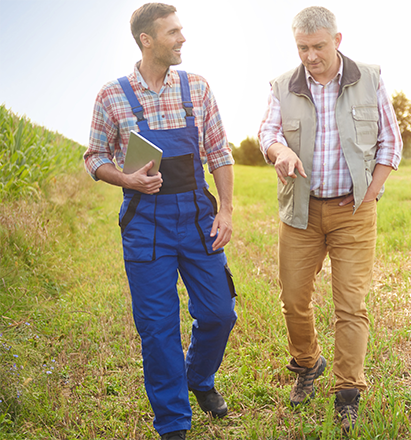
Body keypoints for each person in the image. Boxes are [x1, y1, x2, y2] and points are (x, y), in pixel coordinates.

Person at [83, 3, 237, 439]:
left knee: (219, 313)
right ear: (146, 40)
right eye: (173, 32)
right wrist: (124, 176)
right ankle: (173, 424)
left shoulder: (197, 89)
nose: (182, 38)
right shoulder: (112, 96)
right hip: (144, 222)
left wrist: (225, 210)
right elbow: (94, 157)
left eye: (181, 30)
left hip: (195, 217)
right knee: (158, 328)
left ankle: (199, 379)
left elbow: (219, 153)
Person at [258, 6, 402, 433]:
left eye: (318, 46)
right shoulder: (282, 86)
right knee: (293, 299)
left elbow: (390, 142)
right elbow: (268, 132)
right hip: (301, 212)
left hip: (353, 212)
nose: (310, 55)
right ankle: (307, 363)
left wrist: (371, 194)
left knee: (350, 305)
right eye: (302, 47)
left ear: (337, 41)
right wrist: (279, 151)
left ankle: (348, 391)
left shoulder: (370, 78)